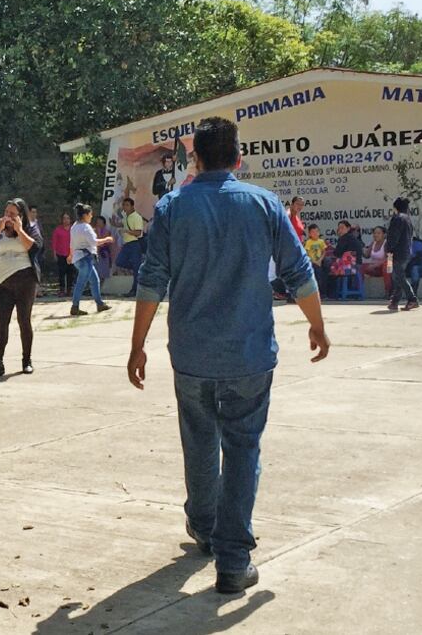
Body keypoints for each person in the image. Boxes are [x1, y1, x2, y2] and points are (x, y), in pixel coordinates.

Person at [127, 117, 329, 594]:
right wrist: (317, 325)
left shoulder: (175, 207)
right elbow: (299, 271)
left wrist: (137, 345)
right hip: (249, 353)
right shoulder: (264, 204)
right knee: (243, 448)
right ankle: (233, 561)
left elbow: (152, 279)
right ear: (238, 159)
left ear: (194, 160)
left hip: (193, 355)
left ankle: (203, 526)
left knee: (199, 440)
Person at [0, 198, 43, 376]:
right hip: (3, 283)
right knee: (2, 323)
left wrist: (19, 229)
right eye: (6, 212)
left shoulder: (31, 229)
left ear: (21, 216)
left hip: (25, 281)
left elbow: (35, 247)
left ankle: (26, 360)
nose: (8, 216)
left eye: (12, 214)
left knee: (24, 321)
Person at [69, 203, 113, 316]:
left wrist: (70, 255)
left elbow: (72, 243)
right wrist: (107, 239)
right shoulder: (85, 227)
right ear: (85, 215)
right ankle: (75, 306)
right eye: (90, 214)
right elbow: (94, 242)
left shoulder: (74, 226)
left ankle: (99, 304)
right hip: (85, 258)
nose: (91, 216)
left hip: (78, 258)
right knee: (81, 283)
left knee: (94, 280)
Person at [386, 197, 418, 311]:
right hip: (406, 252)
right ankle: (395, 301)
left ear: (395, 208)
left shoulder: (397, 218)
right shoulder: (408, 219)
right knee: (397, 276)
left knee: (399, 276)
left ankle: (412, 299)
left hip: (397, 252)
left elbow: (393, 237)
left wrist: (388, 249)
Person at [322, 220, 365, 298]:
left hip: (350, 266)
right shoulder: (352, 238)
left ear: (348, 228)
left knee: (326, 264)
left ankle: (328, 293)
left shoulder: (344, 238)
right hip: (357, 264)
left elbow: (337, 253)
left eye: (342, 228)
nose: (340, 230)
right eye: (339, 228)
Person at [115, 198, 145, 297]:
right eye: (124, 205)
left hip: (135, 244)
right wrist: (115, 224)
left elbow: (138, 232)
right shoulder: (126, 216)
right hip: (127, 244)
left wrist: (126, 231)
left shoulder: (136, 217)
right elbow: (123, 223)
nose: (124, 207)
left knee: (136, 269)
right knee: (119, 261)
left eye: (127, 205)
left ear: (132, 206)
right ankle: (140, 268)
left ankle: (134, 291)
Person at [361, 226, 392, 298]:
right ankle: (358, 291)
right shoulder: (373, 243)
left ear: (384, 235)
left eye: (378, 233)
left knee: (387, 265)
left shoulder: (387, 243)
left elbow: (390, 258)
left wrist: (376, 265)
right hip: (375, 269)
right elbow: (367, 255)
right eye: (374, 233)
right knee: (360, 267)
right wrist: (361, 249)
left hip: (386, 268)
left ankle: (388, 291)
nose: (376, 235)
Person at [51, 212, 74, 297]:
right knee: (61, 272)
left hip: (71, 254)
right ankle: (61, 290)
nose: (66, 220)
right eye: (64, 218)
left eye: (67, 218)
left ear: (70, 219)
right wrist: (54, 253)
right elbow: (54, 242)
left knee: (70, 273)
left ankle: (69, 290)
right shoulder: (58, 230)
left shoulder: (73, 229)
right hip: (61, 254)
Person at [303, 224, 327, 295]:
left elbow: (324, 251)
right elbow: (307, 253)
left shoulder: (321, 241)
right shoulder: (308, 242)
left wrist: (320, 260)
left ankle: (322, 293)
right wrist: (313, 261)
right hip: (312, 262)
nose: (315, 233)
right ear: (309, 234)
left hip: (319, 262)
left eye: (316, 231)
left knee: (320, 277)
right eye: (313, 232)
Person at [94, 215, 113, 283]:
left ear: (104, 223)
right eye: (97, 222)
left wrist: (98, 232)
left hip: (104, 253)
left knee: (103, 271)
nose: (98, 224)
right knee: (96, 271)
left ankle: (101, 287)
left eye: (100, 222)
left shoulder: (107, 231)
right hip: (96, 253)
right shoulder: (93, 231)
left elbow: (102, 241)